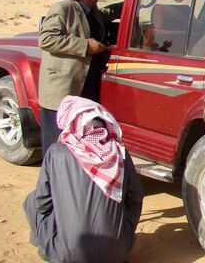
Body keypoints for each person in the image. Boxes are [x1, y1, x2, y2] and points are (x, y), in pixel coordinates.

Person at [23, 95, 144, 263]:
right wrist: (125, 229)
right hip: (118, 253)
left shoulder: (56, 152)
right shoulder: (120, 153)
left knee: (31, 201)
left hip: (69, 254)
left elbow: (42, 202)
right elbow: (135, 197)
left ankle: (50, 250)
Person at [38, 0, 120, 156]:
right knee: (58, 141)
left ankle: (75, 177)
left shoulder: (91, 11)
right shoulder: (63, 8)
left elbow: (110, 12)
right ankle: (54, 178)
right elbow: (46, 39)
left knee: (80, 137)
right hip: (63, 87)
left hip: (85, 83)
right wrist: (85, 45)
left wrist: (142, 0)